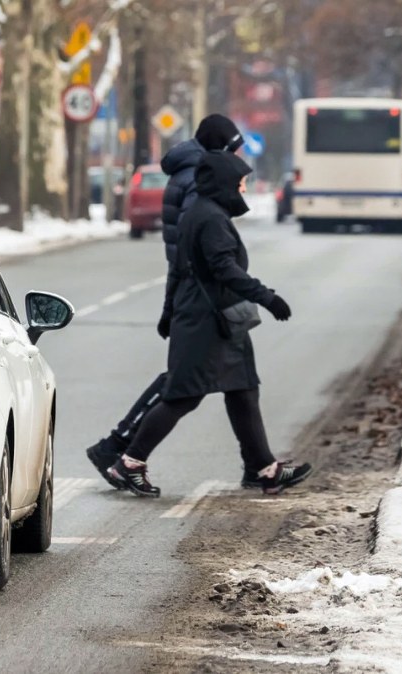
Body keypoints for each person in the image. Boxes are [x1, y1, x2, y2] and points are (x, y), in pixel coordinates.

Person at [106, 151, 313, 497]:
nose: (243, 189)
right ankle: (129, 463)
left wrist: (169, 309)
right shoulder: (210, 217)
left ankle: (265, 469)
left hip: (215, 318)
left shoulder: (205, 211)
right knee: (182, 395)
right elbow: (224, 269)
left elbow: (183, 268)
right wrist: (267, 297)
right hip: (205, 321)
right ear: (223, 183)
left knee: (243, 389)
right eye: (240, 182)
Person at [84, 114, 246, 485]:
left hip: (192, 290)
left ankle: (258, 463)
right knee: (181, 384)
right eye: (234, 150)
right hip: (200, 295)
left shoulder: (189, 169)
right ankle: (120, 448)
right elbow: (201, 238)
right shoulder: (197, 176)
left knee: (206, 382)